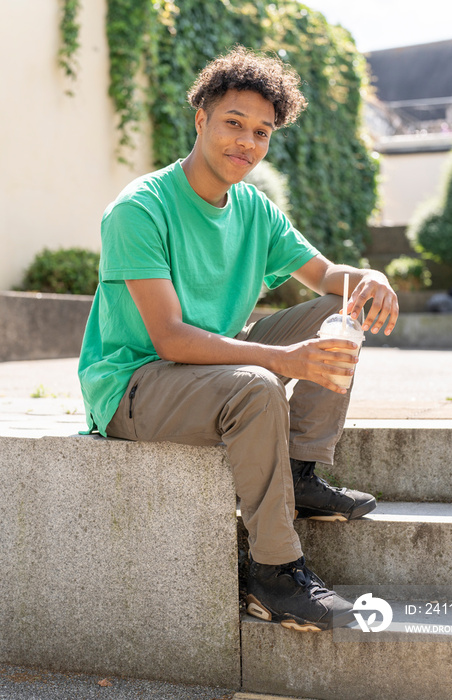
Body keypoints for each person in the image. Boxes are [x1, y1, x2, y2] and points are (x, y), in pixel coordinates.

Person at [78, 46, 398, 632]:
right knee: (256, 388)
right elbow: (171, 339)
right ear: (200, 118)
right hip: (134, 383)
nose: (246, 143)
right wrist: (282, 359)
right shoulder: (139, 210)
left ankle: (298, 474)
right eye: (233, 123)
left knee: (338, 309)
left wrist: (369, 279)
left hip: (207, 371)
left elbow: (328, 278)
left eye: (262, 132)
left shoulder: (255, 209)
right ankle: (274, 574)